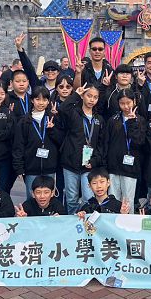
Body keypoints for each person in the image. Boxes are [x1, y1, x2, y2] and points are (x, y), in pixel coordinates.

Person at [57, 83, 105, 214]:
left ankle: (87, 222)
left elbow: (101, 144)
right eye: (89, 96)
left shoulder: (99, 119)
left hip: (88, 165)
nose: (91, 100)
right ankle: (73, 223)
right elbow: (62, 109)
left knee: (88, 198)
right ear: (83, 96)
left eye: (95, 97)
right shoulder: (74, 113)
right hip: (70, 163)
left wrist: (94, 161)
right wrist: (76, 95)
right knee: (71, 198)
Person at [12, 87, 62, 198]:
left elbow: (60, 141)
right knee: (32, 197)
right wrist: (19, 167)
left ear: (48, 101)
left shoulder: (53, 118)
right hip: (31, 167)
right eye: (38, 99)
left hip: (50, 166)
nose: (41, 103)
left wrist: (52, 130)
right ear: (32, 100)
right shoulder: (24, 121)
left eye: (44, 99)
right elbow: (18, 145)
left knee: (48, 198)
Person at [102, 88, 146, 213]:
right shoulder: (113, 120)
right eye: (122, 103)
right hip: (113, 167)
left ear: (134, 101)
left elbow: (139, 142)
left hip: (131, 168)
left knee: (128, 201)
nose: (126, 106)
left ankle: (128, 224)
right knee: (113, 200)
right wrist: (105, 165)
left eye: (128, 103)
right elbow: (106, 143)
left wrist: (132, 122)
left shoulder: (140, 120)